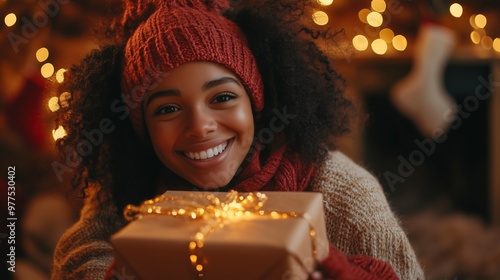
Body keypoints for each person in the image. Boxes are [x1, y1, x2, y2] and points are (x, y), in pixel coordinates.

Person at [51, 0, 424, 279]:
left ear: (257, 102)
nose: (200, 127)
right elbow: (80, 251)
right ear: (142, 128)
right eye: (167, 109)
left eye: (223, 98)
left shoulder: (342, 190)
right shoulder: (126, 185)